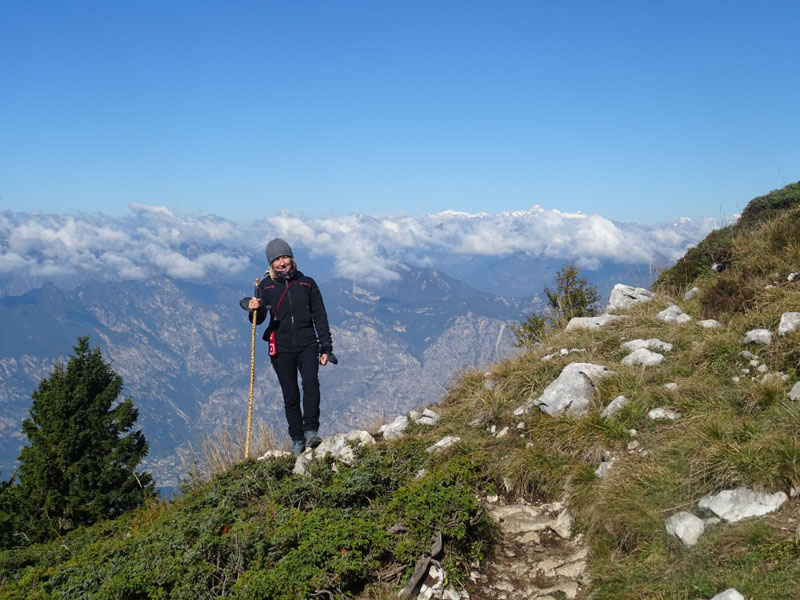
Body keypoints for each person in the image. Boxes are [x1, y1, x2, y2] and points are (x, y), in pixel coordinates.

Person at [240, 238, 335, 456]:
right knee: (290, 394)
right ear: (270, 263)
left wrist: (325, 347)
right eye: (277, 259)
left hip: (308, 343)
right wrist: (253, 308)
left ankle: (311, 430)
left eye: (285, 257)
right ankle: (297, 439)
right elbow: (259, 318)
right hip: (280, 348)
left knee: (311, 383)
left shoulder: (307, 283)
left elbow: (320, 316)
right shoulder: (265, 286)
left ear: (292, 258)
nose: (282, 263)